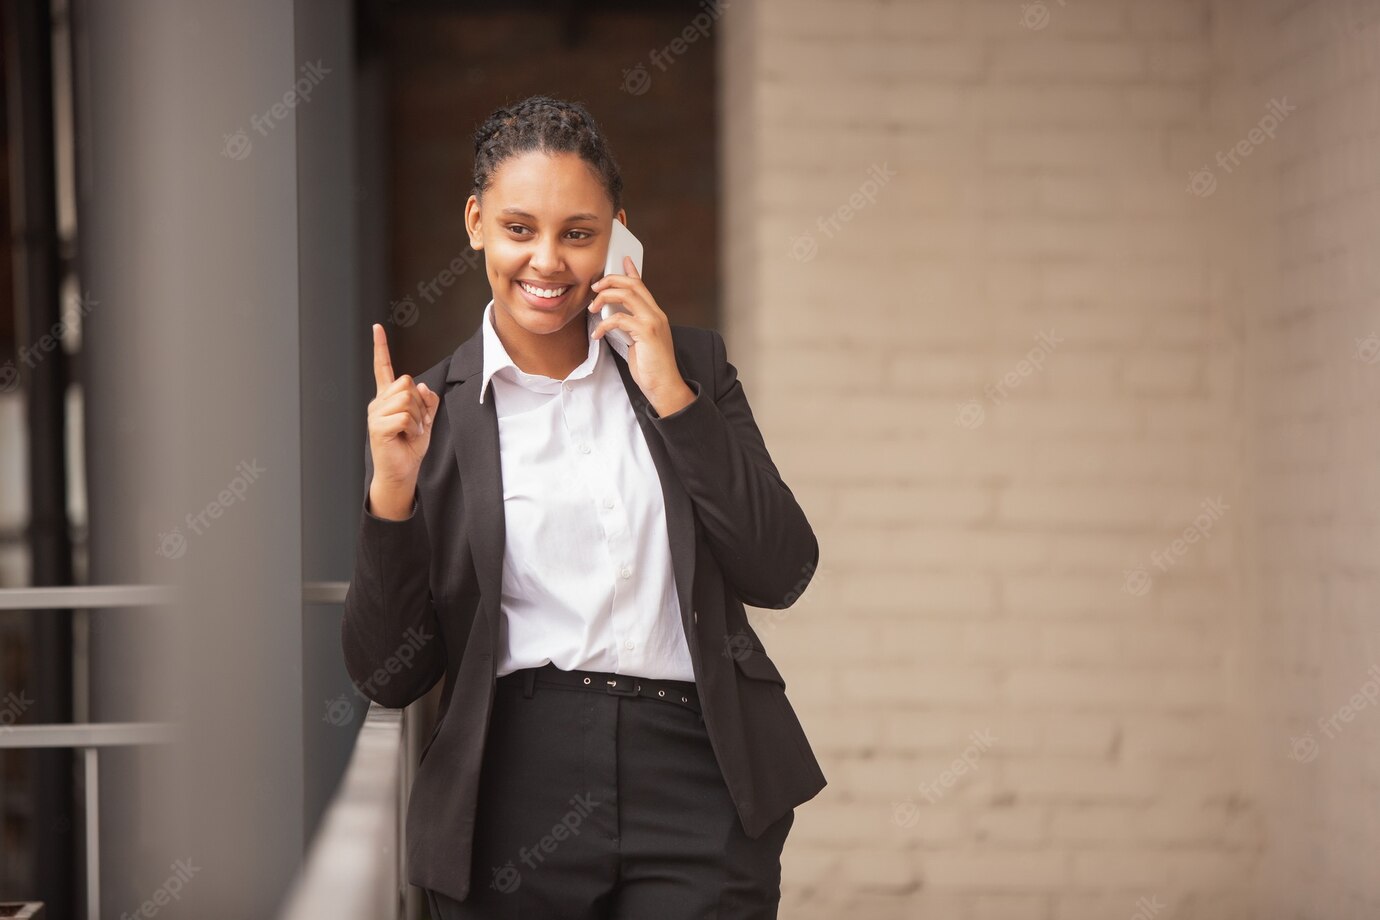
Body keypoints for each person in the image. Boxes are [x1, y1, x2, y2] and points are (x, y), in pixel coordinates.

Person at [342, 94, 825, 920]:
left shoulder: (690, 368)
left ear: (618, 234)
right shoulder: (428, 414)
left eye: (578, 233)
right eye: (519, 228)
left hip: (698, 778)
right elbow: (390, 672)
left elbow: (781, 570)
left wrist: (669, 391)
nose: (547, 261)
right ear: (475, 223)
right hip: (514, 784)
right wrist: (391, 495)